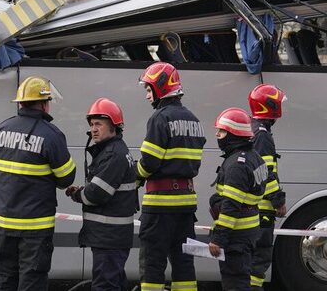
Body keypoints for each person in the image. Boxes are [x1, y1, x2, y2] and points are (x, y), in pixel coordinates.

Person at [0, 76, 76, 291]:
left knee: (5, 278)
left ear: (20, 103)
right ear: (44, 104)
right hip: (36, 228)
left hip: (5, 225)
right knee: (32, 280)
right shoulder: (52, 135)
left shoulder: (1, 130)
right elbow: (66, 178)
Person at [135, 62, 206, 291]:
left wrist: (134, 178)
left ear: (161, 88)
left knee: (153, 263)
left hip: (160, 205)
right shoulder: (194, 120)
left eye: (148, 90)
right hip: (186, 204)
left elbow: (149, 162)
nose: (147, 96)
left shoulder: (160, 118)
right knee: (184, 262)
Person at [65, 98, 137, 291]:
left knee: (105, 286)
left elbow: (96, 194)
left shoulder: (113, 154)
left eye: (99, 124)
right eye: (91, 124)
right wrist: (82, 192)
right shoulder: (114, 151)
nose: (93, 129)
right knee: (114, 284)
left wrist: (78, 194)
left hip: (109, 238)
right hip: (111, 238)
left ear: (114, 126)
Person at [209, 107, 267, 291]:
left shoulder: (236, 165)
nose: (217, 135)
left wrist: (218, 239)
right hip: (249, 232)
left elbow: (231, 205)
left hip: (236, 237)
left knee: (235, 284)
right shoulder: (255, 157)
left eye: (221, 131)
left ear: (233, 134)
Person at [247, 84, 287, 290]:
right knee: (260, 257)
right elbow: (266, 173)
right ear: (270, 106)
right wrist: (278, 201)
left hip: (254, 208)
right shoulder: (262, 135)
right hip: (263, 209)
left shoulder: (254, 129)